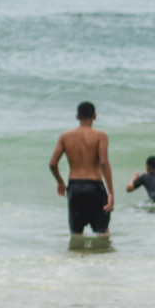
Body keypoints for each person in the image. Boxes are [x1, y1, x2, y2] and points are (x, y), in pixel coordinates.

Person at [49, 101, 115, 236]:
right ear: (95, 116)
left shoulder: (65, 136)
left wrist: (60, 182)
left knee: (76, 233)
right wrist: (111, 192)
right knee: (102, 232)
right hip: (94, 186)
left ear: (77, 116)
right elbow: (103, 163)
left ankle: (76, 256)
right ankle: (103, 256)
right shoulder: (100, 136)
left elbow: (52, 163)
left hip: (74, 187)